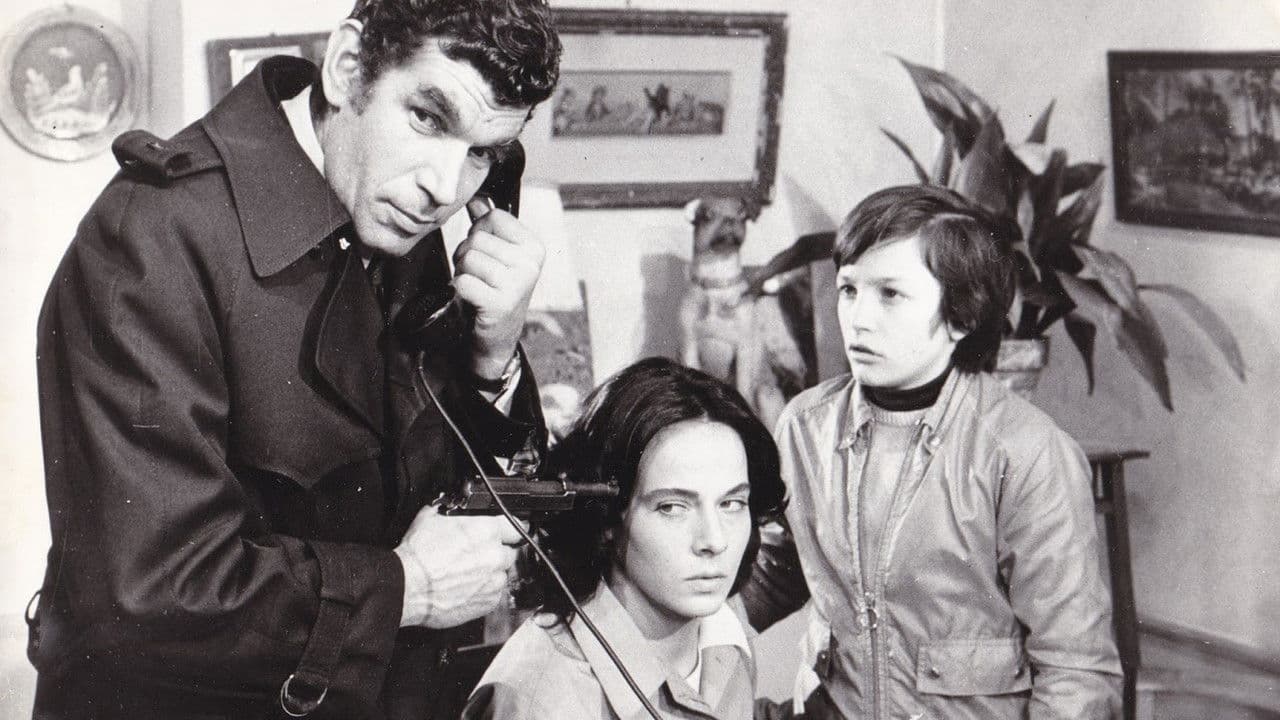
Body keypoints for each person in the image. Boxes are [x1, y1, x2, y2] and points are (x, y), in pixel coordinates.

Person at [28, 1, 561, 718]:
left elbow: (457, 501)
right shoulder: (153, 236)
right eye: (428, 118)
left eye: (483, 153)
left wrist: (493, 357)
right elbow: (150, 590)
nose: (445, 188)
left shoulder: (395, 208)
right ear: (346, 68)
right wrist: (407, 588)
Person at [741, 185, 1122, 719]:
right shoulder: (804, 426)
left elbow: (1076, 671)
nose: (858, 318)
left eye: (890, 294)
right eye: (849, 289)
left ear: (961, 316)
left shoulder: (1025, 451)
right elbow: (775, 573)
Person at [461, 357, 787, 719]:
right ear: (607, 519)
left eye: (731, 504)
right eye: (672, 507)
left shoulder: (726, 637)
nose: (715, 540)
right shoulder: (540, 700)